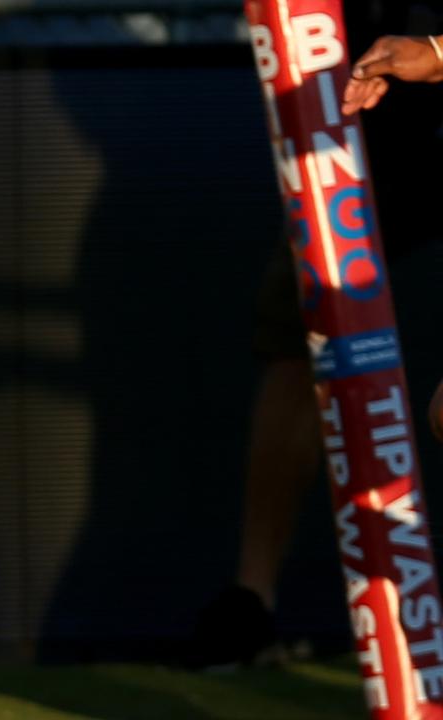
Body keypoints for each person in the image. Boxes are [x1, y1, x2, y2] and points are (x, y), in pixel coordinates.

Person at [189, 16, 443, 669]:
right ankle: (253, 600)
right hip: (369, 103)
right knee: (307, 322)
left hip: (408, 77)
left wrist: (437, 51)